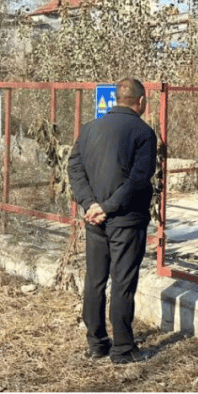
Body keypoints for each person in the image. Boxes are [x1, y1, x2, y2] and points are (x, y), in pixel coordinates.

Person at [68, 78, 157, 365]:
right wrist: (105, 207)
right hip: (126, 220)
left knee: (95, 280)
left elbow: (74, 168)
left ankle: (96, 343)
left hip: (95, 220)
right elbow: (138, 180)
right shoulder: (143, 133)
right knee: (122, 283)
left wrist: (90, 204)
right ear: (140, 102)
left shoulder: (89, 129)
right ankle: (123, 348)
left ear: (116, 98)